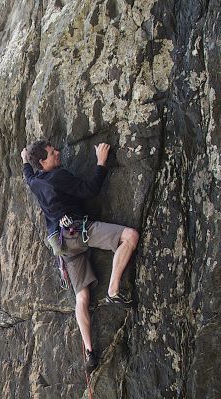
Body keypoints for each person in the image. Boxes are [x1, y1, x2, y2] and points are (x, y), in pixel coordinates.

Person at [21, 139, 139, 373]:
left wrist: (25, 160)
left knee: (81, 297)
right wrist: (101, 162)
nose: (57, 152)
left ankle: (89, 352)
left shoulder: (36, 181)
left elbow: (27, 175)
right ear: (43, 162)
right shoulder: (58, 177)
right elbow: (89, 190)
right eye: (52, 152)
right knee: (130, 237)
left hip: (62, 245)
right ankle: (113, 290)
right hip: (77, 232)